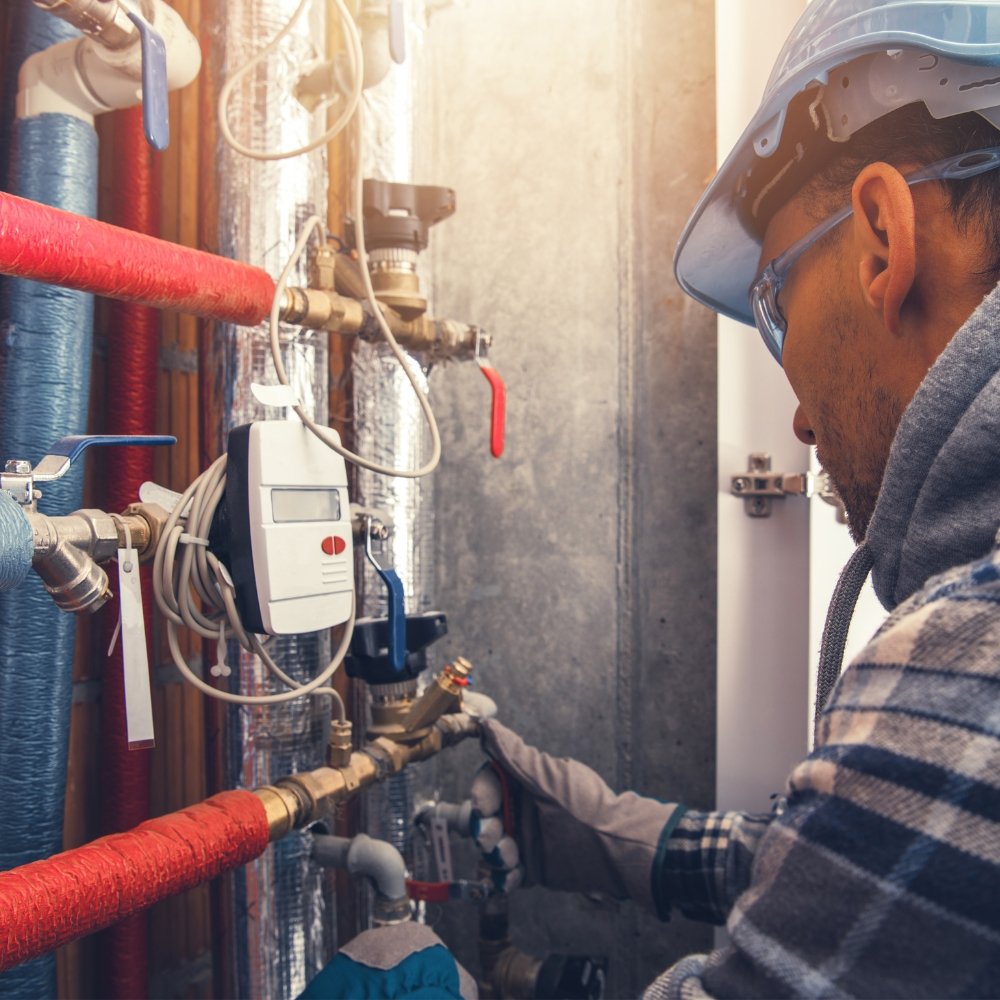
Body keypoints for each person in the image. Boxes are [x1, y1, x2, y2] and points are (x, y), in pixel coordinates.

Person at [304, 2, 1000, 995]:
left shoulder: (970, 653)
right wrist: (608, 832)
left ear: (882, 239)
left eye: (776, 304)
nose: (798, 420)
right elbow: (896, 881)